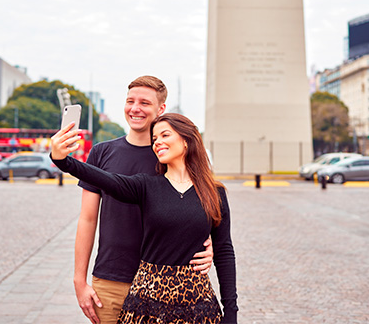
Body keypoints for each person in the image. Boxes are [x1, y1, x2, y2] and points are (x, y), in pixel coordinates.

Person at [51, 113, 237, 323]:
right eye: (155, 139)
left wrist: (231, 312)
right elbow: (102, 178)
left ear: (186, 140)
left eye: (165, 135)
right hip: (147, 302)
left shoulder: (215, 193)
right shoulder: (145, 186)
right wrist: (62, 160)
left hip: (197, 304)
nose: (158, 143)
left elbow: (224, 252)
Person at [73, 76, 213, 324]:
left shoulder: (170, 154)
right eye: (130, 101)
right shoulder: (102, 152)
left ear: (161, 109)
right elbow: (87, 218)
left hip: (161, 283)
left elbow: (197, 204)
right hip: (110, 280)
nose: (135, 108)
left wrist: (208, 240)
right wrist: (79, 280)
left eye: (144, 103)